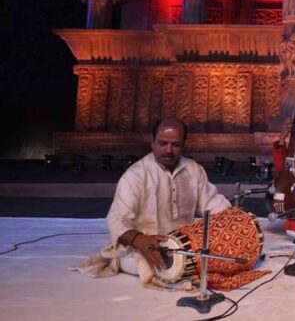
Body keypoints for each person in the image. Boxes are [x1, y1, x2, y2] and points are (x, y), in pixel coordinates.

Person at [76, 117, 231, 284]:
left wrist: (236, 220)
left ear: (184, 145)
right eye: (162, 143)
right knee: (149, 265)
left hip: (183, 245)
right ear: (152, 142)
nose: (168, 150)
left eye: (175, 145)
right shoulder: (136, 175)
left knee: (218, 252)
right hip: (141, 247)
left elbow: (213, 204)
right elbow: (117, 220)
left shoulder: (193, 170)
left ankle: (183, 265)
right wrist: (140, 241)